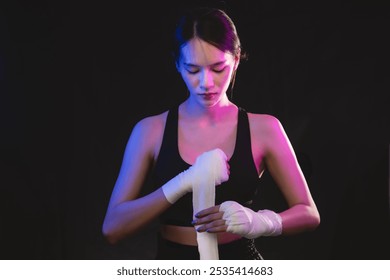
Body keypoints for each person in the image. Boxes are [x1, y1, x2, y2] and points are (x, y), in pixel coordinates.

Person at [102, 6, 320, 260]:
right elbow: (113, 229)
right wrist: (183, 182)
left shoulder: (264, 128)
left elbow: (309, 213)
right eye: (193, 70)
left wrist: (260, 222)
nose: (206, 83)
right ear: (177, 64)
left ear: (236, 60)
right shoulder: (151, 131)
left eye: (218, 68)